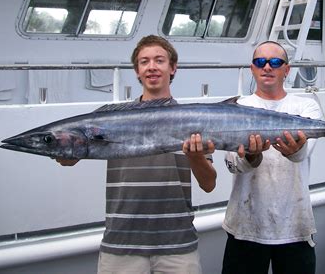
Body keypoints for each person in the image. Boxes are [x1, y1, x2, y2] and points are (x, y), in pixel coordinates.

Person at [57, 35, 217, 274]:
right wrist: (67, 155)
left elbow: (208, 184)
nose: (151, 66)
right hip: (121, 245)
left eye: (159, 60)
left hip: (178, 246)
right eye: (144, 62)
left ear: (172, 68)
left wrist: (195, 157)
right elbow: (71, 157)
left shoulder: (194, 119)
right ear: (137, 71)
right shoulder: (107, 120)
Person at [222, 41, 323, 274]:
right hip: (244, 228)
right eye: (260, 62)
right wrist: (251, 156)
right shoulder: (237, 107)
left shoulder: (306, 107)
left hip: (295, 227)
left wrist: (294, 150)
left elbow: (303, 153)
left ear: (286, 70)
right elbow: (232, 165)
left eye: (275, 62)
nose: (267, 67)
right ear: (252, 68)